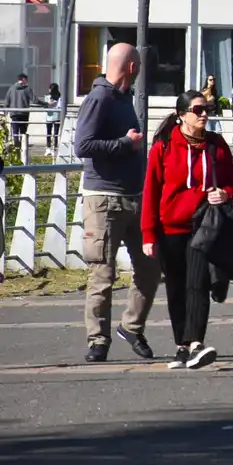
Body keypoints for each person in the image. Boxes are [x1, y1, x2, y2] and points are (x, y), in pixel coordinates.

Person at [142, 90, 233, 370]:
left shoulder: (216, 144)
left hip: (203, 226)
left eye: (206, 109)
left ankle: (196, 342)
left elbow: (231, 181)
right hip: (170, 227)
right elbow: (151, 191)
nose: (204, 114)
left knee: (197, 284)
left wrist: (224, 193)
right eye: (198, 110)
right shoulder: (163, 146)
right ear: (182, 115)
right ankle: (181, 346)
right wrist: (148, 233)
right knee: (176, 286)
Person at [76, 44, 155, 363]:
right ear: (133, 68)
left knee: (150, 267)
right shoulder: (99, 98)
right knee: (102, 274)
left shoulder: (124, 99)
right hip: (103, 200)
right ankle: (98, 339)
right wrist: (126, 144)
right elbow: (83, 144)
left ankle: (131, 326)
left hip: (134, 197)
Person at [6, 72, 35, 148]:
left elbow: (7, 102)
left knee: (15, 131)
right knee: (23, 132)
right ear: (24, 79)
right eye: (26, 79)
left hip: (14, 113)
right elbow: (35, 100)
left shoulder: (11, 89)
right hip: (24, 113)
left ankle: (16, 146)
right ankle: (23, 147)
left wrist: (4, 112)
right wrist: (46, 104)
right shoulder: (27, 89)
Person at [43, 82, 61, 153]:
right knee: (49, 133)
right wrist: (48, 104)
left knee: (56, 134)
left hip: (57, 117)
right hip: (49, 117)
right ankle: (48, 148)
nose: (49, 90)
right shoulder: (47, 97)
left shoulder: (59, 97)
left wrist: (54, 103)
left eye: (50, 88)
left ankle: (55, 148)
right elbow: (44, 106)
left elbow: (60, 106)